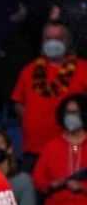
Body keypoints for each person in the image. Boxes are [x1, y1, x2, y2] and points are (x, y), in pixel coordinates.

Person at [12, 22, 87, 160]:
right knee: (32, 181)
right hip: (33, 149)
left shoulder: (84, 69)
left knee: (73, 181)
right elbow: (19, 103)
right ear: (42, 42)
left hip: (74, 148)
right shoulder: (28, 70)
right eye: (48, 38)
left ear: (68, 42)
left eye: (58, 38)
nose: (53, 43)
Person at [34, 92, 87, 205]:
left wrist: (82, 188)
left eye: (75, 112)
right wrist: (51, 184)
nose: (70, 117)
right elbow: (39, 180)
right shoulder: (51, 146)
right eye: (67, 112)